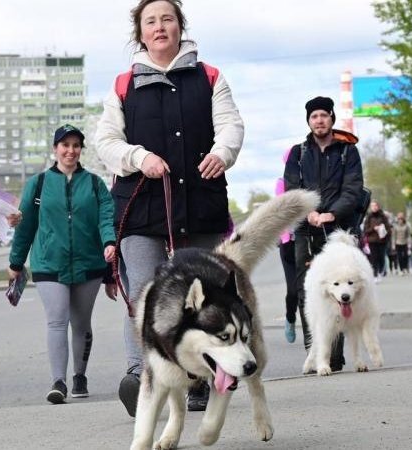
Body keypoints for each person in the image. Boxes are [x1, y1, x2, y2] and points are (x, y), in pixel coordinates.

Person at [95, 0, 244, 416]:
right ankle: (140, 374)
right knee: (145, 292)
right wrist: (139, 156)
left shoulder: (210, 77)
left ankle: (200, 376)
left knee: (201, 293)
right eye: (151, 21)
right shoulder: (124, 84)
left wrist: (222, 152)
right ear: (140, 33)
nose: (160, 26)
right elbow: (106, 141)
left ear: (180, 26)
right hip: (142, 206)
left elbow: (231, 125)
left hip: (200, 203)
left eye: (167, 19)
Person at [8, 125, 117, 404]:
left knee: (81, 323)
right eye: (65, 145)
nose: (70, 150)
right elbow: (26, 225)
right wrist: (16, 262)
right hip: (49, 264)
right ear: (55, 148)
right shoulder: (39, 184)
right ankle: (59, 382)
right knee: (57, 320)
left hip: (89, 264)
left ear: (81, 149)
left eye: (76, 145)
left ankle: (79, 375)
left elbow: (106, 218)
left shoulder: (95, 184)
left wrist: (109, 244)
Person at [283, 95, 364, 373]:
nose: (319, 120)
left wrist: (332, 213)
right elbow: (292, 188)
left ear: (331, 119)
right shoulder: (298, 153)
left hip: (339, 229)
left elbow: (353, 188)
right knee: (308, 290)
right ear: (308, 121)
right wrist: (309, 212)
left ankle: (334, 356)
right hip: (306, 229)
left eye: (324, 116)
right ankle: (315, 351)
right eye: (314, 116)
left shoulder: (347, 151)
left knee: (341, 289)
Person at [275, 148, 299, 344]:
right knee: (293, 290)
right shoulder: (282, 183)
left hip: (308, 240)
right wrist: (284, 237)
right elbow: (281, 213)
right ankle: (290, 319)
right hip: (289, 243)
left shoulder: (311, 180)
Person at [363, 201, 392, 282]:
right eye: (372, 206)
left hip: (382, 241)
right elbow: (365, 230)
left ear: (378, 207)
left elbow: (389, 229)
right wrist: (373, 228)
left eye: (375, 206)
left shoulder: (383, 217)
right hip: (372, 241)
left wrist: (383, 230)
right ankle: (375, 274)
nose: (374, 207)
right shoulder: (369, 217)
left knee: (381, 257)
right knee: (374, 258)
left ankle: (380, 271)